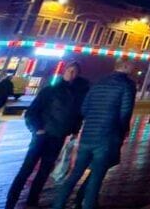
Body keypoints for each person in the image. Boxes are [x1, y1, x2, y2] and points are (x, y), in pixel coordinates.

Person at [52, 60, 136, 209]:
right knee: (96, 177)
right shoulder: (127, 85)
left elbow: (84, 109)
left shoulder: (98, 83)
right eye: (131, 65)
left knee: (75, 174)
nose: (134, 68)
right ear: (125, 67)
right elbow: (125, 112)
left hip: (88, 135)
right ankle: (87, 205)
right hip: (107, 137)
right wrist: (122, 132)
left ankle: (58, 204)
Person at [6, 62, 90, 209]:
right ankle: (11, 202)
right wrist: (37, 129)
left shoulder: (77, 94)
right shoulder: (50, 91)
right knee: (26, 170)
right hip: (42, 137)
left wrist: (74, 130)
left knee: (44, 172)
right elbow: (32, 112)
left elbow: (77, 115)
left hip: (58, 137)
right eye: (70, 71)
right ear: (64, 71)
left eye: (75, 72)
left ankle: (32, 201)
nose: (72, 74)